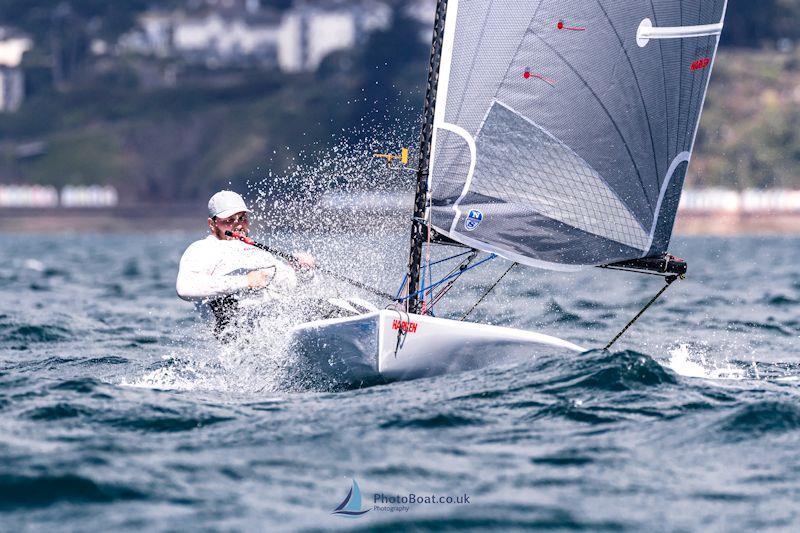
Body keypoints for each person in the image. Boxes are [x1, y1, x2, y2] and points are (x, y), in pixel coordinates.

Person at [176, 190, 314, 337]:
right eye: (229, 220)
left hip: (279, 325)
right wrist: (245, 281)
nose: (239, 226)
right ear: (212, 224)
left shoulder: (256, 251)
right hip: (239, 333)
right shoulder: (202, 249)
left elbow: (293, 287)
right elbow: (185, 288)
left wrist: (302, 271)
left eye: (242, 218)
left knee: (325, 306)